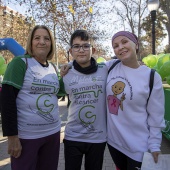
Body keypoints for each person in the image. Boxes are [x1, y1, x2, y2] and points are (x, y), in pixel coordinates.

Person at [1, 25, 64, 170]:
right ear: (30, 42)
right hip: (27, 137)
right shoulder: (20, 63)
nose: (42, 42)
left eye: (46, 39)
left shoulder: (53, 68)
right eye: (37, 38)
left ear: (51, 44)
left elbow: (59, 92)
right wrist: (12, 137)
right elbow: (7, 100)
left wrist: (68, 74)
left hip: (52, 133)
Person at [106, 31, 165, 170]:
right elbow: (87, 64)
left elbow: (156, 115)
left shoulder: (151, 76)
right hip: (114, 142)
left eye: (124, 42)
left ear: (136, 44)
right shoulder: (111, 66)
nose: (120, 47)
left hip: (138, 147)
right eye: (115, 45)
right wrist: (69, 66)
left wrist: (155, 144)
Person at [61, 30, 107, 170]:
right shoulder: (65, 74)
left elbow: (125, 64)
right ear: (71, 50)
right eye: (76, 46)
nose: (81, 50)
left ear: (93, 49)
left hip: (98, 138)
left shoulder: (105, 69)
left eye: (85, 46)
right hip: (73, 137)